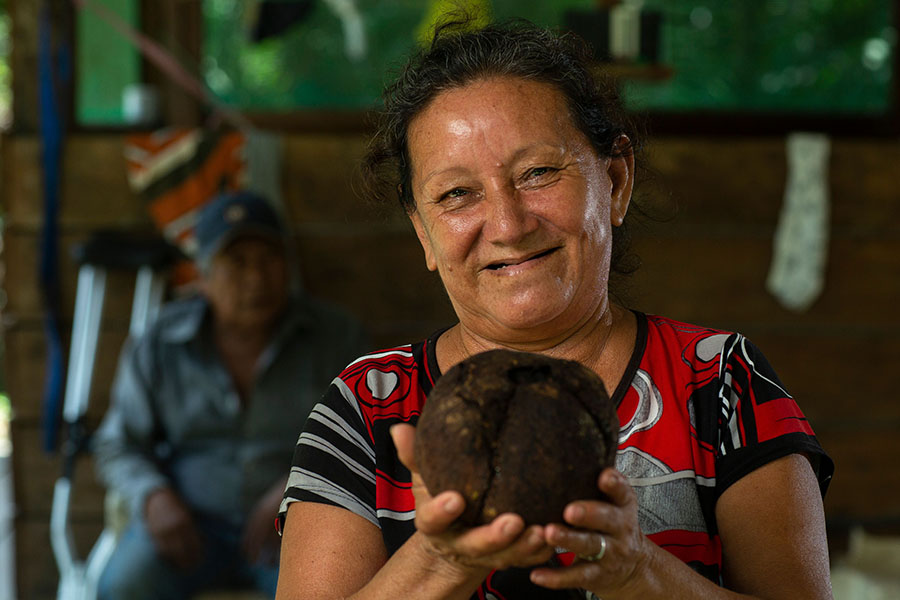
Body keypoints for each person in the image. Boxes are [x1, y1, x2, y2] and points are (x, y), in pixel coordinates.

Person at [275, 20, 834, 600]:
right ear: (423, 234)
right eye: (456, 194)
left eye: (539, 172)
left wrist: (638, 570)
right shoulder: (367, 410)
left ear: (616, 181)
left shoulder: (721, 383)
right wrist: (440, 562)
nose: (510, 226)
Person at [92, 190, 370, 600]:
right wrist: (154, 497)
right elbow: (118, 444)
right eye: (236, 263)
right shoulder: (160, 342)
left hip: (298, 522)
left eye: (269, 260)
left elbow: (366, 441)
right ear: (202, 277)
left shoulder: (335, 337)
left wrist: (293, 493)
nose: (256, 279)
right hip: (189, 526)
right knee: (122, 586)